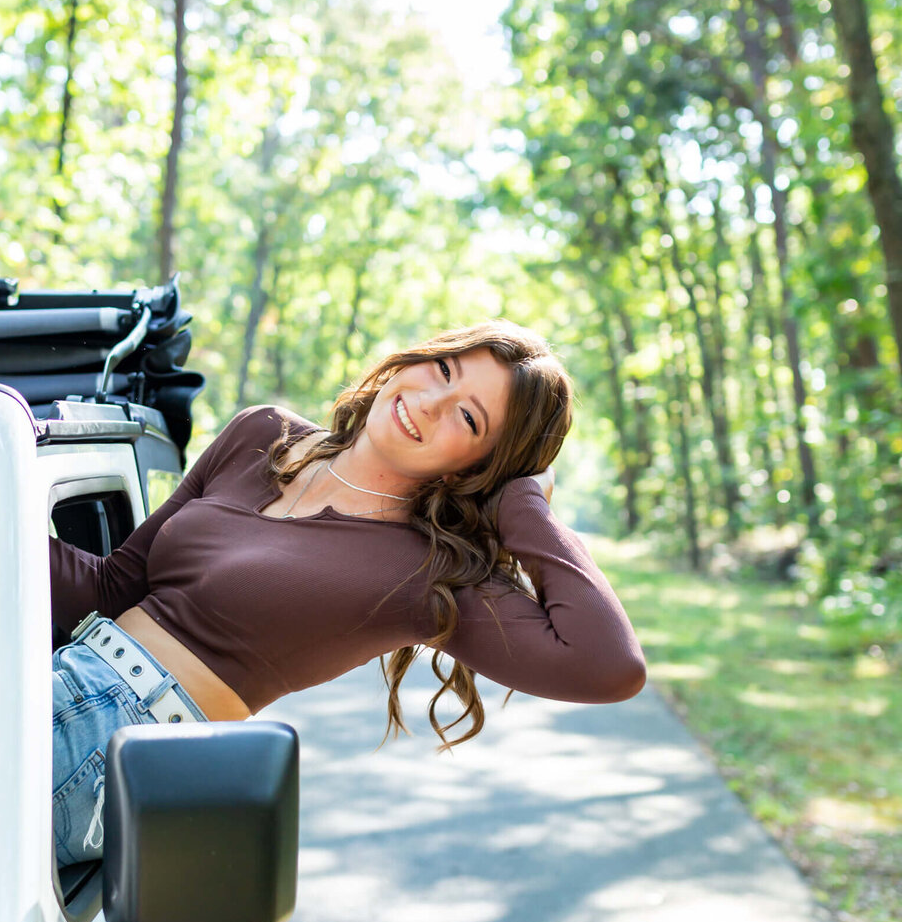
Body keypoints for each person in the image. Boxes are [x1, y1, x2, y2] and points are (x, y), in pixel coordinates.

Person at [48, 320, 646, 866]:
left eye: (469, 419)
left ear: (478, 467)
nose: (431, 403)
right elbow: (111, 586)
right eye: (443, 371)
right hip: (54, 674)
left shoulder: (432, 569)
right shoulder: (262, 434)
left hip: (113, 747)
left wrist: (525, 504)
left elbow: (609, 666)